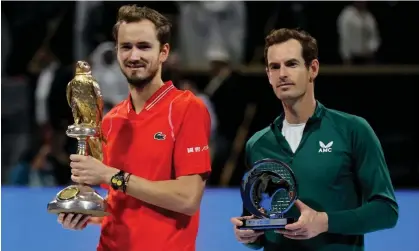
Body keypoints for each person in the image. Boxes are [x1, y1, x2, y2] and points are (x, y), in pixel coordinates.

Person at [57, 5, 212, 251]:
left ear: (164, 52)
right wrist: (85, 212)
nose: (134, 56)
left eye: (144, 46)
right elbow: (121, 200)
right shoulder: (111, 120)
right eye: (126, 47)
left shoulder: (186, 108)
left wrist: (110, 175)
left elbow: (188, 198)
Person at [230, 28, 398, 251]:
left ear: (313, 69)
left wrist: (325, 222)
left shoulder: (353, 130)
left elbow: (386, 211)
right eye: (274, 66)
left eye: (291, 64)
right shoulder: (258, 144)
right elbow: (259, 223)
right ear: (268, 75)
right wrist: (248, 235)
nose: (282, 74)